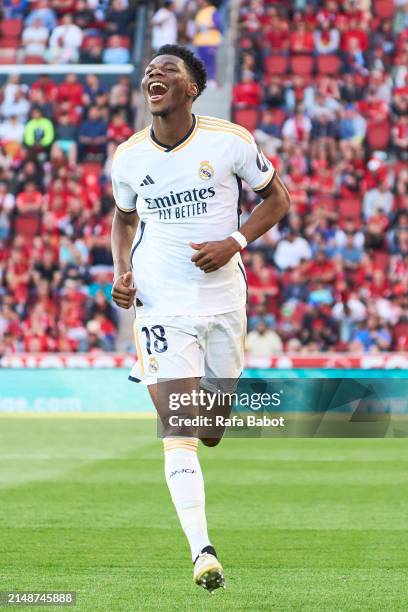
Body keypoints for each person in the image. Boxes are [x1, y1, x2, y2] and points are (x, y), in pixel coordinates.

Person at [110, 44, 290, 592]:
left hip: (222, 302)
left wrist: (234, 241)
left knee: (210, 429)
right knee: (179, 431)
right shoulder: (128, 157)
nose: (153, 76)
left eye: (167, 70)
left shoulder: (229, 141)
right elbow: (122, 219)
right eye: (149, 71)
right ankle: (202, 552)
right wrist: (122, 272)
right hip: (161, 304)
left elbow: (277, 200)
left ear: (191, 88)